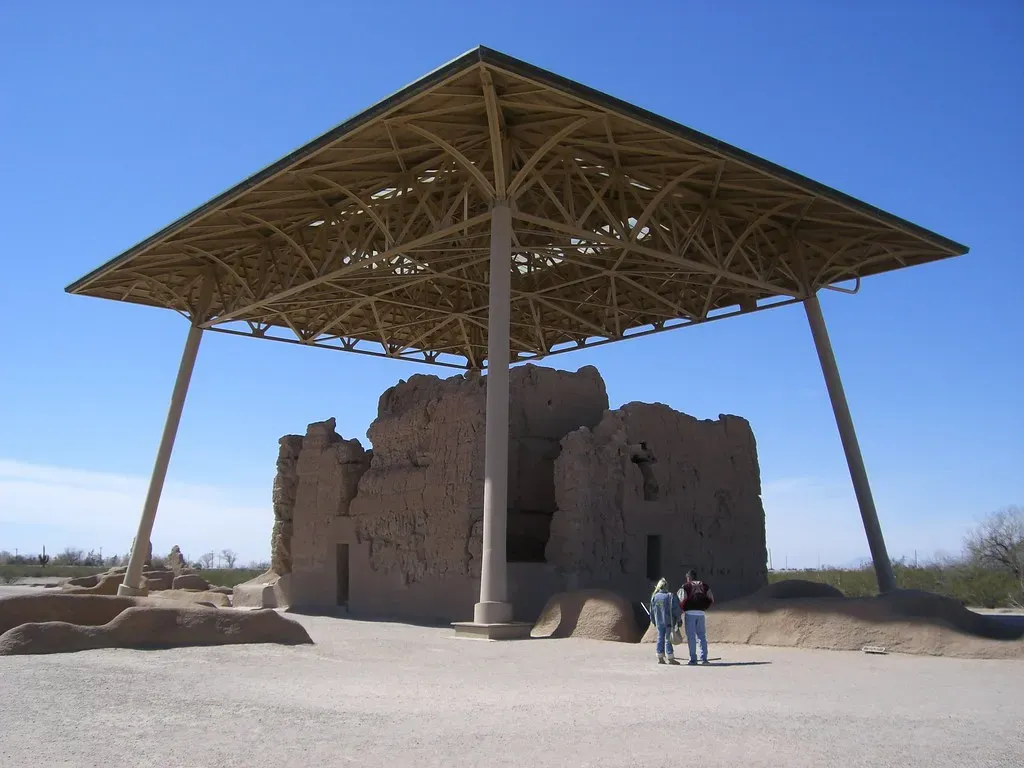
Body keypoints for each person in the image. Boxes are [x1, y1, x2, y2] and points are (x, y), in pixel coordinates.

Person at [679, 569, 715, 665]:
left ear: (689, 577)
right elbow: (711, 599)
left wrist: (682, 610)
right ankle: (704, 659)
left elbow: (681, 600)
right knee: (702, 636)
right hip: (701, 613)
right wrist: (704, 607)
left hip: (689, 613)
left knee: (691, 637)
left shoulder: (685, 586)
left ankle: (693, 659)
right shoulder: (705, 586)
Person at [649, 577, 682, 665]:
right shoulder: (670, 596)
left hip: (659, 622)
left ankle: (660, 657)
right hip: (669, 621)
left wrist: (653, 621)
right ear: (666, 586)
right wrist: (679, 620)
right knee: (668, 639)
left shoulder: (654, 597)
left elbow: (651, 611)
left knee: (660, 638)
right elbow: (676, 610)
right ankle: (670, 657)